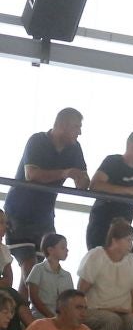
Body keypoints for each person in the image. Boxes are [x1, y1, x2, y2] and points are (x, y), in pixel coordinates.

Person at [7, 109, 88, 270]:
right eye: (76, 127)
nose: (79, 132)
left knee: (41, 269)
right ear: (63, 125)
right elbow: (31, 174)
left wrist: (81, 179)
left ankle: (29, 296)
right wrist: (65, 172)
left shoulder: (74, 148)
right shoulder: (37, 140)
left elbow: (84, 179)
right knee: (29, 265)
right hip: (19, 213)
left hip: (45, 215)